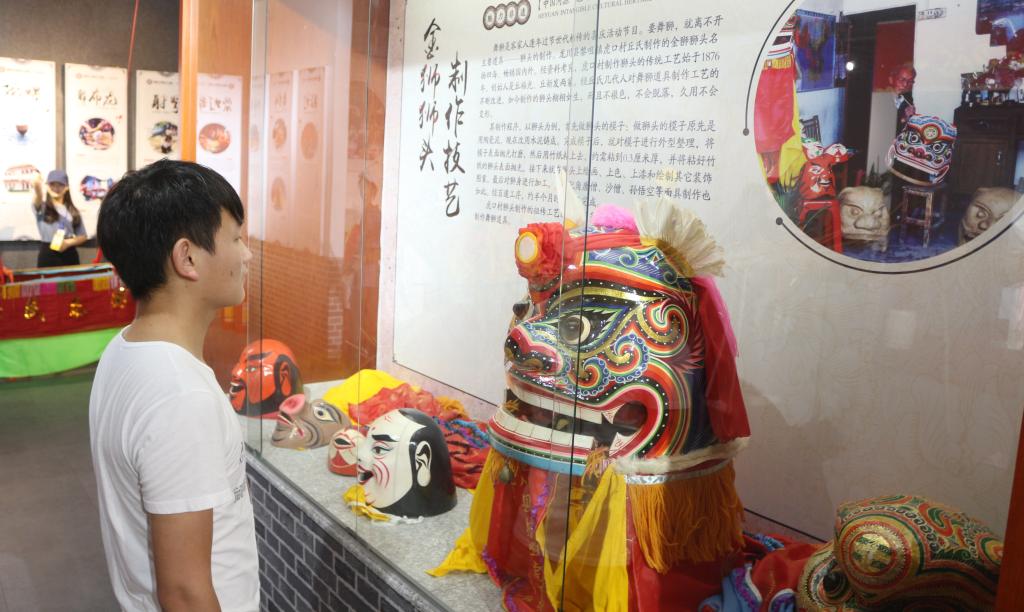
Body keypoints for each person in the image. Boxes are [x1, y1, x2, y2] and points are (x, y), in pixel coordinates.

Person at [89, 160, 258, 611]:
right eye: (235, 238)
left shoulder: (125, 349)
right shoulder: (180, 396)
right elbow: (183, 593)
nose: (246, 255)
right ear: (187, 258)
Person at [31, 170, 88, 267]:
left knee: (71, 277)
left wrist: (68, 243)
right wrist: (37, 182)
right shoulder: (42, 207)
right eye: (52, 184)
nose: (56, 188)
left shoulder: (73, 210)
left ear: (67, 187)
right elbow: (38, 194)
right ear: (47, 186)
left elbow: (82, 236)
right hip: (48, 255)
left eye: (60, 185)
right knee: (48, 277)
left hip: (69, 255)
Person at [890, 64, 916, 134]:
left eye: (910, 81)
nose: (905, 84)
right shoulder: (881, 100)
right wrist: (904, 119)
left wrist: (909, 118)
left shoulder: (908, 99)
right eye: (902, 79)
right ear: (891, 79)